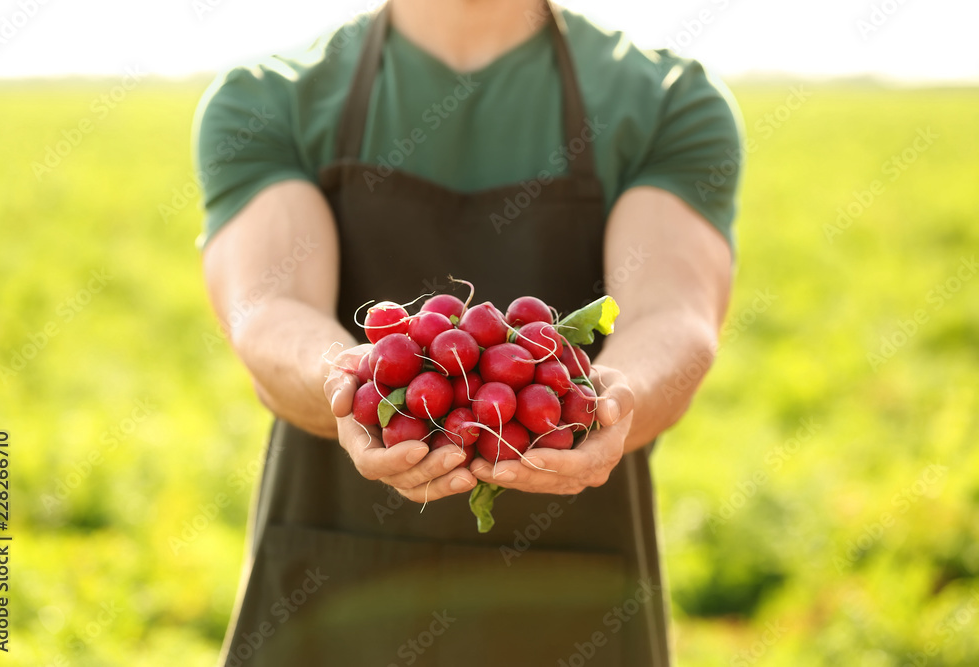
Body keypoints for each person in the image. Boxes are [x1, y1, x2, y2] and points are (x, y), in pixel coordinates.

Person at [194, 0, 740, 664]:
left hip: (574, 606)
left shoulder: (664, 101)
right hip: (330, 595)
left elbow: (672, 315)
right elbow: (268, 308)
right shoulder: (269, 99)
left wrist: (617, 400)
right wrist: (345, 378)